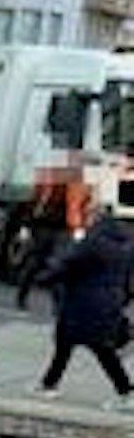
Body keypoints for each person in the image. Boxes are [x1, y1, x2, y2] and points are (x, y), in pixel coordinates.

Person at [37, 190, 134, 408]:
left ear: (94, 215)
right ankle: (48, 384)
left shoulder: (93, 241)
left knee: (100, 349)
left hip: (84, 302)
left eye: (87, 213)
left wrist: (45, 277)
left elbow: (68, 262)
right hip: (108, 301)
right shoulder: (127, 242)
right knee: (66, 343)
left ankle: (126, 391)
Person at [16, 161, 82, 310]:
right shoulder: (46, 178)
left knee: (58, 265)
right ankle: (22, 296)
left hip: (65, 228)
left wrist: (80, 226)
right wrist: (26, 225)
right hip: (43, 226)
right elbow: (32, 200)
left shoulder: (78, 182)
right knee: (34, 263)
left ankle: (58, 305)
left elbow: (83, 204)